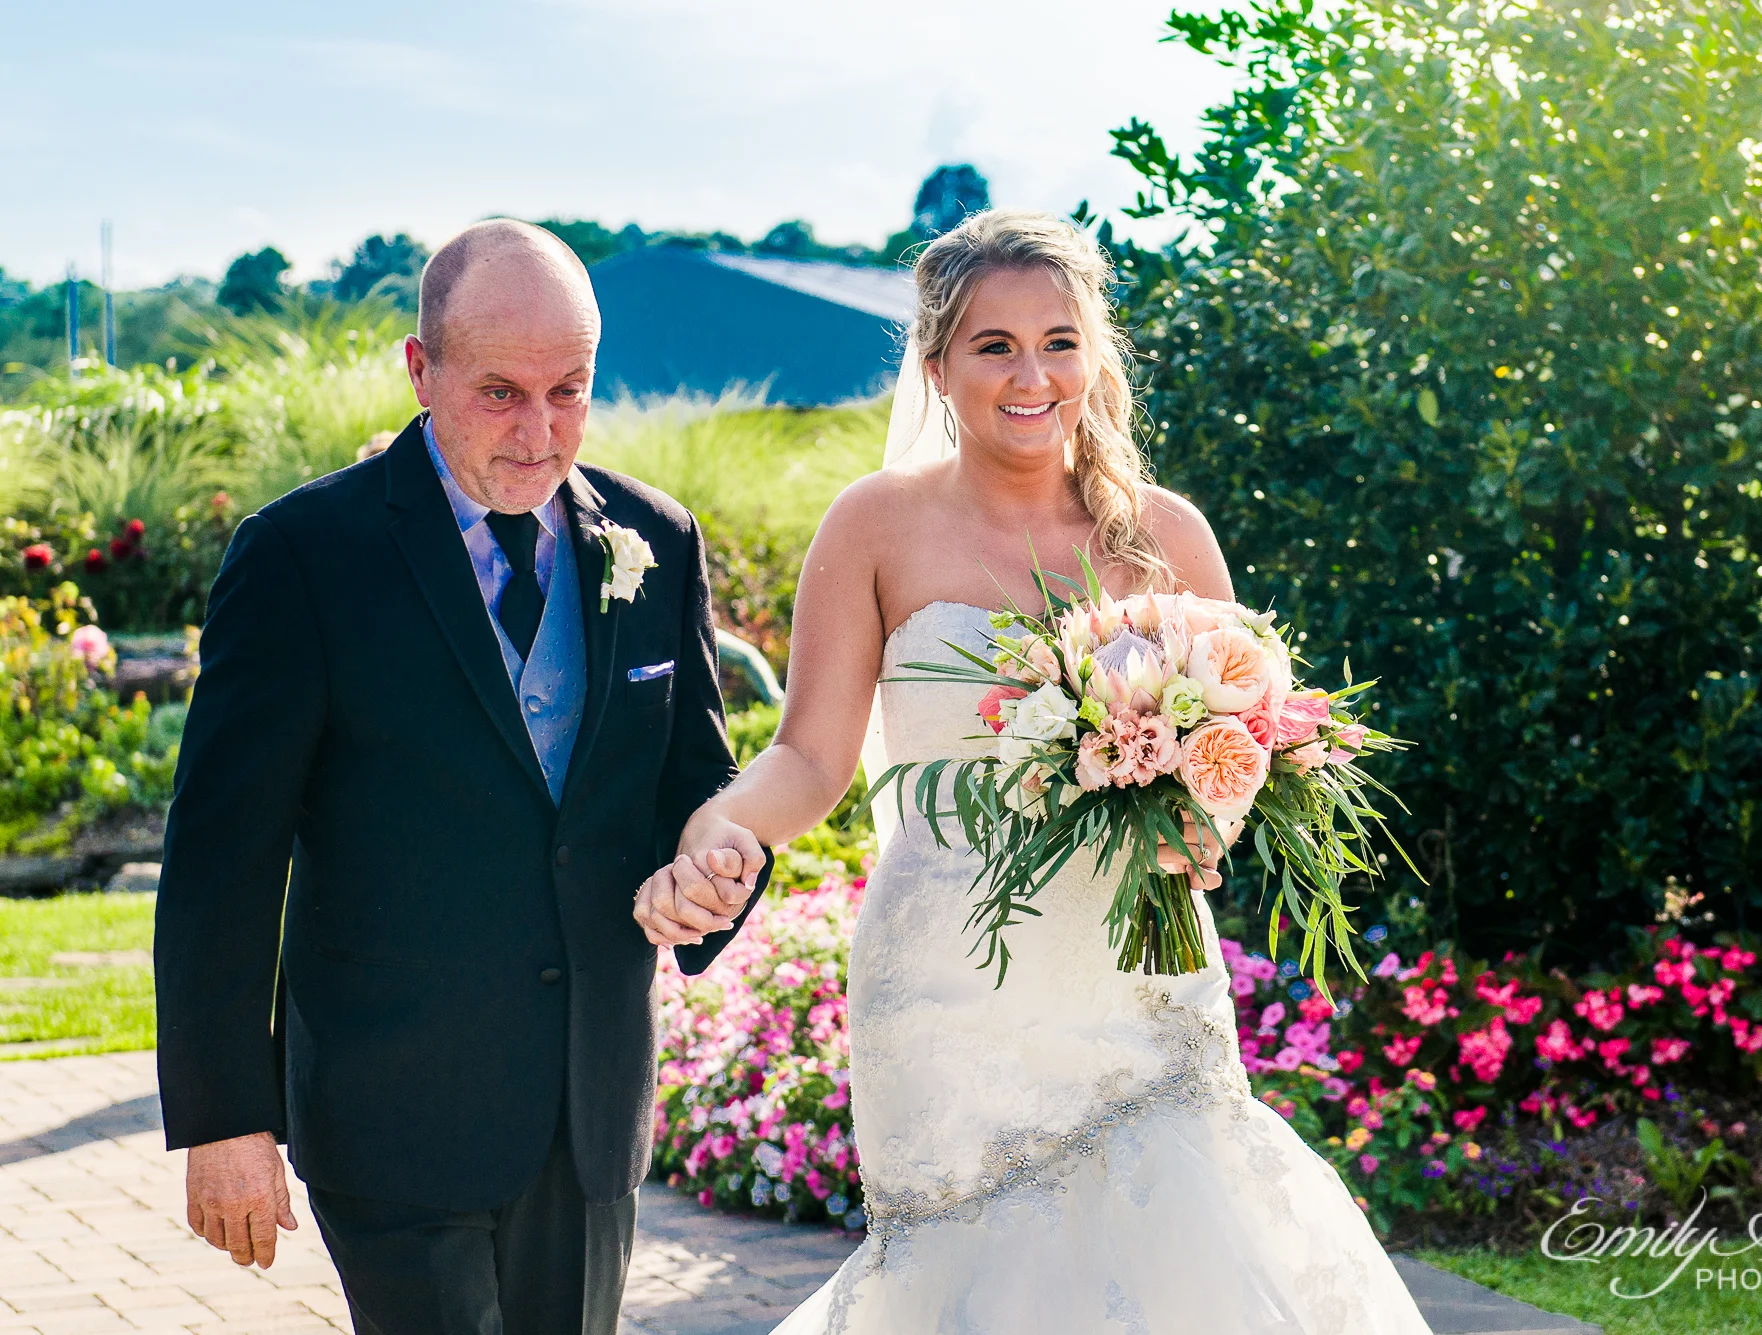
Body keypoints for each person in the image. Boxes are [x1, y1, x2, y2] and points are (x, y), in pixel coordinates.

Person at [657, 209, 1433, 1332]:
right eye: (995, 346)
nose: (1032, 377)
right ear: (936, 366)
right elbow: (809, 756)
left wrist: (1206, 821)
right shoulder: (874, 526)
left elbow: (1245, 748)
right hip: (946, 987)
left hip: (1140, 973)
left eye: (1059, 342)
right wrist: (723, 828)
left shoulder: (1165, 536)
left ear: (1094, 354)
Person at [154, 219, 767, 1335]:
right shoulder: (300, 556)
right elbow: (219, 859)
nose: (539, 434)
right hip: (390, 1110)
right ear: (420, 369)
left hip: (590, 1109)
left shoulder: (657, 539)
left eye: (569, 392)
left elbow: (703, 788)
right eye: (499, 394)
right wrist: (223, 1118)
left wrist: (717, 870)